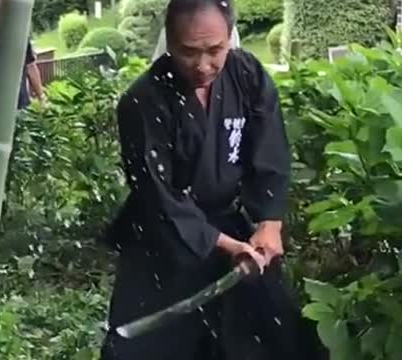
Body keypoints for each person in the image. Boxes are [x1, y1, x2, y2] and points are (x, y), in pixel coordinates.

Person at [99, 0, 327, 359]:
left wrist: (269, 223)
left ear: (229, 38)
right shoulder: (142, 101)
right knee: (151, 347)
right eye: (189, 52)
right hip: (164, 237)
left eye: (215, 50)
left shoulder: (246, 73)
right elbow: (159, 197)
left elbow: (270, 151)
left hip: (235, 227)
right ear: (170, 43)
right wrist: (223, 244)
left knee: (268, 337)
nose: (203, 65)